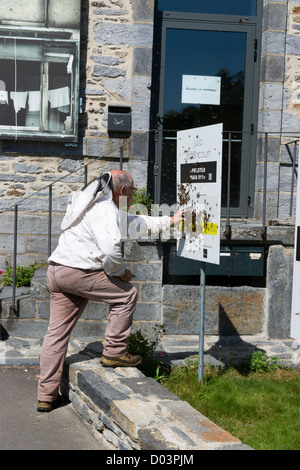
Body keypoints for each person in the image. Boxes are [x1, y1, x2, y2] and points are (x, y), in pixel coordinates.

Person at [37, 169, 184, 412]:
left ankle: (46, 396)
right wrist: (120, 272)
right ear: (123, 191)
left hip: (57, 271)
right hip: (77, 273)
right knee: (127, 294)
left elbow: (136, 223)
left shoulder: (93, 204)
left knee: (56, 334)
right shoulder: (105, 209)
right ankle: (115, 351)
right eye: (133, 192)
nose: (134, 196)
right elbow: (110, 249)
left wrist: (170, 220)